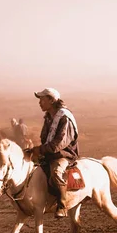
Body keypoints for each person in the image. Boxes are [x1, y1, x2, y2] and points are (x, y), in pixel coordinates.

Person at [32, 88, 80, 218]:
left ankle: (62, 205)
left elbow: (59, 144)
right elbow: (44, 138)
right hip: (50, 153)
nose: (40, 102)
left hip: (64, 154)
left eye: (42, 99)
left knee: (56, 172)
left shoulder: (64, 118)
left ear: (51, 100)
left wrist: (40, 150)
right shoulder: (48, 117)